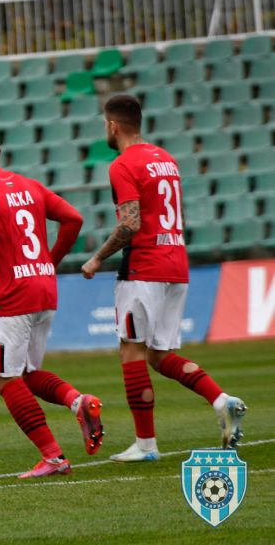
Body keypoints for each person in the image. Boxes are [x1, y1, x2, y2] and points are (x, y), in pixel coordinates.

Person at [81, 94, 246, 461]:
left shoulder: (123, 165)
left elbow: (130, 224)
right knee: (158, 354)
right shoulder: (166, 160)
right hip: (176, 263)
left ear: (113, 125)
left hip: (144, 267)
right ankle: (223, 400)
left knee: (131, 350)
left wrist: (95, 259)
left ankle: (146, 445)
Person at [0, 128, 104, 478]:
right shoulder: (30, 185)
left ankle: (54, 457)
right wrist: (50, 260)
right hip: (44, 287)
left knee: (4, 377)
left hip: (11, 296)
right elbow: (73, 219)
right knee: (27, 373)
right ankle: (78, 402)